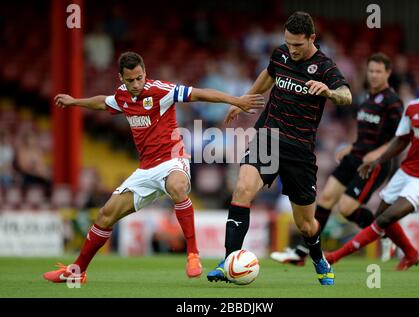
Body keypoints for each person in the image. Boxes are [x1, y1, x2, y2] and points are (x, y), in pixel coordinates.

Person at [43, 51, 264, 283]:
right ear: (121, 78)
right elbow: (102, 102)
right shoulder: (122, 97)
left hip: (173, 159)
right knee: (105, 215)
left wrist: (236, 100)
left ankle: (193, 254)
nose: (136, 84)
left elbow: (200, 94)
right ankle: (76, 272)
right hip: (146, 170)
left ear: (145, 73)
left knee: (177, 187)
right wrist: (75, 101)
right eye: (131, 80)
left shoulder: (160, 91)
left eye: (140, 78)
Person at [207, 12, 352, 285]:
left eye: (298, 45)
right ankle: (228, 262)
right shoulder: (280, 54)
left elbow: (347, 95)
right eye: (288, 43)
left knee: (306, 225)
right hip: (268, 137)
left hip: (299, 151)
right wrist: (241, 101)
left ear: (312, 39)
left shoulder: (325, 67)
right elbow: (268, 74)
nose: (292, 50)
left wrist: (329, 92)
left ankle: (319, 257)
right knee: (242, 189)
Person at [270, 53, 404, 266]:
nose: (374, 76)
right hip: (355, 156)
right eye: (371, 71)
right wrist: (351, 146)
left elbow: (400, 137)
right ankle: (302, 252)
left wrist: (378, 154)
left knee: (346, 208)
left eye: (379, 71)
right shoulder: (366, 97)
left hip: (373, 164)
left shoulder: (393, 102)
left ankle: (386, 232)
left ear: (387, 73)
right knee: (325, 200)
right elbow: (366, 133)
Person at [325, 68, 419, 270]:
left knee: (386, 218)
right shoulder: (413, 108)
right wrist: (378, 160)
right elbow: (401, 140)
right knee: (381, 215)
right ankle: (411, 253)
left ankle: (334, 256)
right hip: (406, 171)